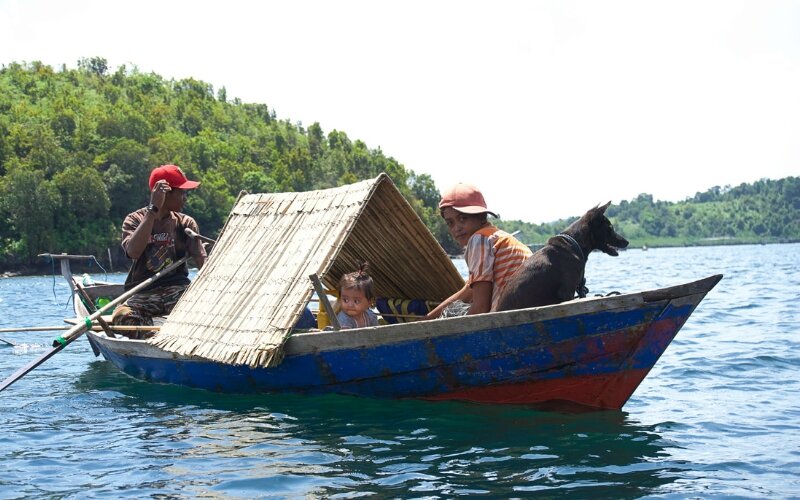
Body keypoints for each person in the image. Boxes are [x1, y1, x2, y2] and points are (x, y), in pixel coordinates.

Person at [112, 164, 207, 336]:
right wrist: (153, 210)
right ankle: (156, 335)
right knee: (121, 318)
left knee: (203, 311)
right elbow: (133, 252)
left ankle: (170, 331)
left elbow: (202, 262)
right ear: (165, 193)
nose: (185, 198)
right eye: (182, 192)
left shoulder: (186, 223)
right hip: (144, 292)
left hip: (177, 289)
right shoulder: (135, 220)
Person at [425, 182, 532, 319]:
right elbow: (469, 290)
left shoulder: (479, 239)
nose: (456, 228)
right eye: (450, 223)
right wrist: (427, 319)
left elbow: (480, 309)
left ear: (481, 217)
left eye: (462, 219)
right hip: (525, 311)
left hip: (511, 318)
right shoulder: (497, 237)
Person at [334, 262, 379, 329]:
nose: (350, 305)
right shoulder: (343, 321)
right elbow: (345, 338)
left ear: (369, 302)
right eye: (345, 300)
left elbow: (377, 334)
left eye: (356, 301)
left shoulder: (370, 316)